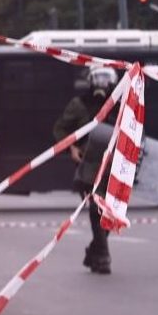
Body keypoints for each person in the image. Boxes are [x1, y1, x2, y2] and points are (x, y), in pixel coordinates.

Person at [54, 65, 121, 275]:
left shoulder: (120, 104)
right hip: (88, 165)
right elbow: (59, 128)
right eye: (98, 78)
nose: (101, 83)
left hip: (114, 166)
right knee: (95, 208)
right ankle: (102, 257)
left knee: (109, 211)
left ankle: (94, 250)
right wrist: (72, 148)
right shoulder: (79, 104)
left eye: (106, 78)